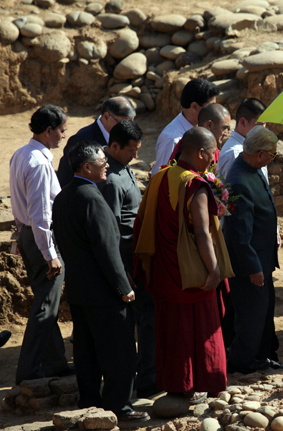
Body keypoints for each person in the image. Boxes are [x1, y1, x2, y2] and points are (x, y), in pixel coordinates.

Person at [52, 141, 148, 422]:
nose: (107, 164)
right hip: (105, 293)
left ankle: (90, 401)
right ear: (86, 167)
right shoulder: (93, 199)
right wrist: (124, 287)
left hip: (80, 290)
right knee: (119, 350)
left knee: (87, 351)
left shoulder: (63, 197)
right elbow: (107, 249)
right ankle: (119, 405)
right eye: (102, 161)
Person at [134, 127, 231, 401]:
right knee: (201, 330)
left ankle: (178, 384)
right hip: (192, 273)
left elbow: (143, 222)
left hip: (166, 270)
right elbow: (201, 233)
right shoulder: (194, 185)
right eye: (212, 154)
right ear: (201, 152)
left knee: (171, 331)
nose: (214, 161)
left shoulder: (160, 177)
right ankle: (205, 382)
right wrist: (214, 270)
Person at [96, 120, 157, 399]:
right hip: (127, 262)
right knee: (139, 323)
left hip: (137, 259)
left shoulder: (124, 170)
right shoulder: (110, 179)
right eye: (132, 149)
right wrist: (122, 272)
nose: (136, 154)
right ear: (115, 146)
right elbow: (110, 230)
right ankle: (142, 380)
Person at [10, 105, 71, 385]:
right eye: (60, 131)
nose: (62, 136)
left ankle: (56, 362)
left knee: (47, 302)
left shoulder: (22, 154)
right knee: (45, 306)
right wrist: (50, 254)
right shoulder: (39, 162)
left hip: (30, 237)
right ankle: (29, 369)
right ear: (48, 131)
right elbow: (40, 214)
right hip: (40, 240)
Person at [222, 126, 283, 374]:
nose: (272, 159)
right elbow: (239, 234)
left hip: (262, 258)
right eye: (271, 155)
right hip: (250, 265)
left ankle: (263, 355)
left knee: (264, 310)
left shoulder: (253, 169)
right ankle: (244, 362)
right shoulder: (239, 180)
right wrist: (253, 268)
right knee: (251, 314)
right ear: (259, 154)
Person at [57, 97, 135, 186]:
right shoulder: (81, 140)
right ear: (106, 116)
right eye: (123, 123)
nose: (128, 128)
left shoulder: (123, 136)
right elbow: (66, 179)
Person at [151, 78, 219, 174]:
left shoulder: (200, 128)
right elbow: (160, 176)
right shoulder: (172, 138)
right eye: (210, 107)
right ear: (194, 106)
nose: (214, 111)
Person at [217, 98, 266, 180]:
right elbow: (237, 190)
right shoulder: (235, 154)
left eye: (265, 124)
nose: (264, 130)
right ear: (243, 122)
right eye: (260, 125)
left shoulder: (252, 148)